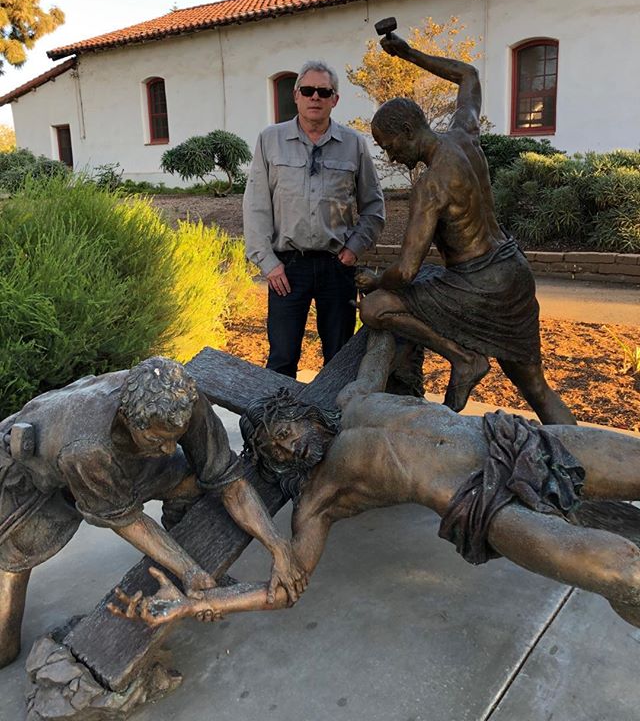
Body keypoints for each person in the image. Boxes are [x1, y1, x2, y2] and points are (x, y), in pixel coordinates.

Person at [110, 332, 640, 633]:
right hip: (482, 504)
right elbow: (282, 592)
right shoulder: (317, 502)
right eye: (274, 449)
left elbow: (380, 340)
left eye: (282, 430)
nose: (285, 445)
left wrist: (389, 300)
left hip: (511, 438)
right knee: (623, 570)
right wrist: (190, 604)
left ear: (303, 415)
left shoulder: (355, 399)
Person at [0, 356, 305, 667]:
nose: (169, 450)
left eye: (175, 437)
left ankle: (194, 564)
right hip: (29, 480)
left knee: (191, 482)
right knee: (3, 647)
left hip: (119, 456)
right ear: (127, 418)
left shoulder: (184, 399)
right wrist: (189, 570)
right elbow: (127, 519)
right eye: (157, 439)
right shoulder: (86, 448)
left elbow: (230, 483)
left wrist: (279, 547)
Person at [356, 30, 574, 425]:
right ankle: (581, 467)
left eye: (388, 145)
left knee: (376, 307)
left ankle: (463, 358)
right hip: (513, 273)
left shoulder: (430, 186)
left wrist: (375, 281)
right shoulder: (465, 135)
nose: (388, 154)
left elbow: (405, 272)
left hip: (478, 285)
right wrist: (407, 53)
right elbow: (468, 76)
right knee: (537, 389)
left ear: (409, 132)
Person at [243, 60, 385, 377]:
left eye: (324, 92)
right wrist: (267, 262)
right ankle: (277, 424)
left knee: (339, 360)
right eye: (308, 91)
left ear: (335, 99)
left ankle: (333, 423)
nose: (315, 97)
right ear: (296, 96)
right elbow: (255, 207)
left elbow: (374, 206)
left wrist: (353, 250)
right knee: (281, 358)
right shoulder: (270, 140)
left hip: (338, 266)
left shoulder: (354, 145)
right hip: (286, 269)